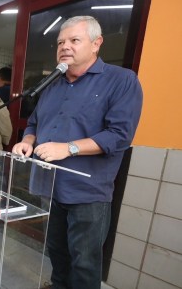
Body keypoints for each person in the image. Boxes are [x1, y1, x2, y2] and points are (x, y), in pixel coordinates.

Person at [12, 16, 143, 289]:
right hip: (50, 187)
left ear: (96, 44)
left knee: (84, 263)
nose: (65, 47)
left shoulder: (121, 81)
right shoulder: (52, 84)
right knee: (57, 254)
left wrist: (69, 148)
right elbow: (35, 122)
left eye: (74, 40)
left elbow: (119, 136)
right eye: (60, 42)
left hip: (88, 193)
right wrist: (28, 140)